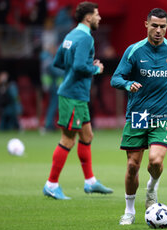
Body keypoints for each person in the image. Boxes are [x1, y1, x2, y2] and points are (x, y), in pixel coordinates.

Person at [111, 8, 167, 225]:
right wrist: (128, 83)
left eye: (163, 27)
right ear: (146, 24)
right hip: (138, 115)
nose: (159, 30)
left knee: (155, 161)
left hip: (163, 115)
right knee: (132, 166)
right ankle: (129, 211)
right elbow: (116, 78)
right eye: (155, 25)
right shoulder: (134, 51)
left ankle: (151, 189)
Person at [43, 1, 113, 200]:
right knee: (68, 139)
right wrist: (95, 69)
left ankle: (90, 182)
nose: (99, 18)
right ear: (88, 17)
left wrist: (77, 67)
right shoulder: (85, 38)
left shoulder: (71, 35)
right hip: (73, 96)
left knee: (87, 136)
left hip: (76, 94)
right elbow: (81, 66)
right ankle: (51, 184)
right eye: (97, 15)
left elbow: (58, 62)